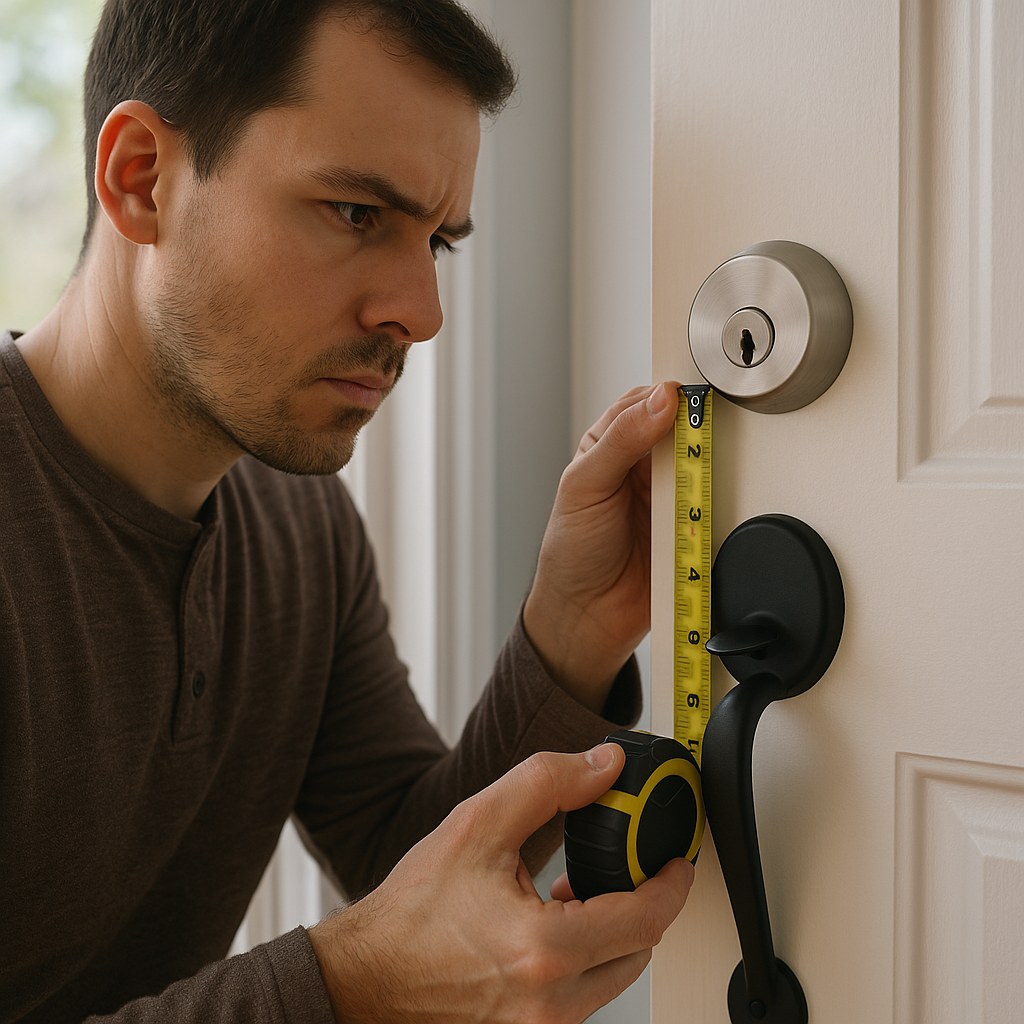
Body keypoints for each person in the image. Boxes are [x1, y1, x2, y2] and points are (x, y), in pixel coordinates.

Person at [0, 1, 692, 1021]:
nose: (420, 310)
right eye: (355, 214)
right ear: (141, 176)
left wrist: (571, 629)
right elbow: (385, 950)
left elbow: (404, 858)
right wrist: (351, 983)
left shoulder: (297, 526)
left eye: (438, 243)